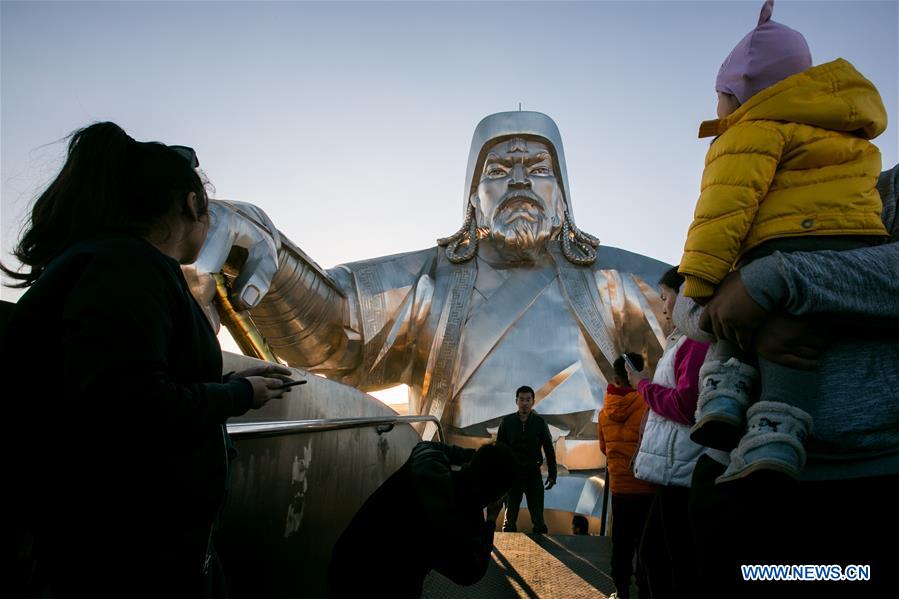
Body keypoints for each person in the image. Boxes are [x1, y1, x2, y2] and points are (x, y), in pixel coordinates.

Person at [192, 111, 670, 457]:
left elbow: (700, 316)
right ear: (473, 199)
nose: (519, 181)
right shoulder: (431, 280)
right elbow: (338, 333)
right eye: (498, 171)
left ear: (564, 194)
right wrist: (270, 250)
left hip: (596, 472)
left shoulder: (615, 279)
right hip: (455, 469)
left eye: (539, 169)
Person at [1, 122, 294, 597]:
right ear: (193, 205)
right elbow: (129, 403)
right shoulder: (126, 267)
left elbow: (131, 368)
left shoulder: (108, 263)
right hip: (127, 558)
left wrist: (234, 376)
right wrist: (240, 394)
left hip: (140, 546)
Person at [677, 0, 888, 484]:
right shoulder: (847, 137)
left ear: (740, 94)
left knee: (737, 308)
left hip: (783, 244)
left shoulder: (750, 132)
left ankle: (724, 396)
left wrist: (700, 281)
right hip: (853, 244)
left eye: (720, 94)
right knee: (796, 347)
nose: (717, 106)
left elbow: (722, 213)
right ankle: (776, 435)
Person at [686, 163, 899, 598]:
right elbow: (686, 301)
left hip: (855, 484)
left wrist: (777, 281)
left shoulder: (883, 188)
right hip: (729, 476)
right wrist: (759, 322)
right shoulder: (749, 199)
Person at [327, 441, 517, 598]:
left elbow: (427, 445)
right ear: (495, 497)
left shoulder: (427, 464)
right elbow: (470, 572)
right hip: (393, 586)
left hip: (347, 563)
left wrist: (477, 456)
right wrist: (491, 519)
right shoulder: (459, 524)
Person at [628, 267, 709, 598]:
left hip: (684, 472)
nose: (663, 308)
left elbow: (686, 405)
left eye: (665, 298)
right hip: (674, 470)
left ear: (686, 295)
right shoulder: (681, 341)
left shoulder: (695, 341)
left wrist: (642, 386)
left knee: (668, 563)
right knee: (655, 558)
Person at [598, 352, 657, 599]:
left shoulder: (604, 412)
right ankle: (645, 592)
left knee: (621, 544)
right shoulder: (648, 404)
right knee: (647, 545)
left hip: (620, 489)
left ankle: (621, 591)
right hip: (647, 486)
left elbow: (603, 447)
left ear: (615, 378)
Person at [495, 385, 558, 534]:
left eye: (528, 399)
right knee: (509, 519)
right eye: (522, 399)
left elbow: (549, 450)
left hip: (532, 475)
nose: (525, 403)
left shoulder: (539, 423)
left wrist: (552, 474)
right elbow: (499, 451)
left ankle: (542, 550)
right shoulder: (507, 422)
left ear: (533, 402)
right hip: (512, 476)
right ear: (516, 401)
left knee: (538, 519)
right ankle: (508, 549)